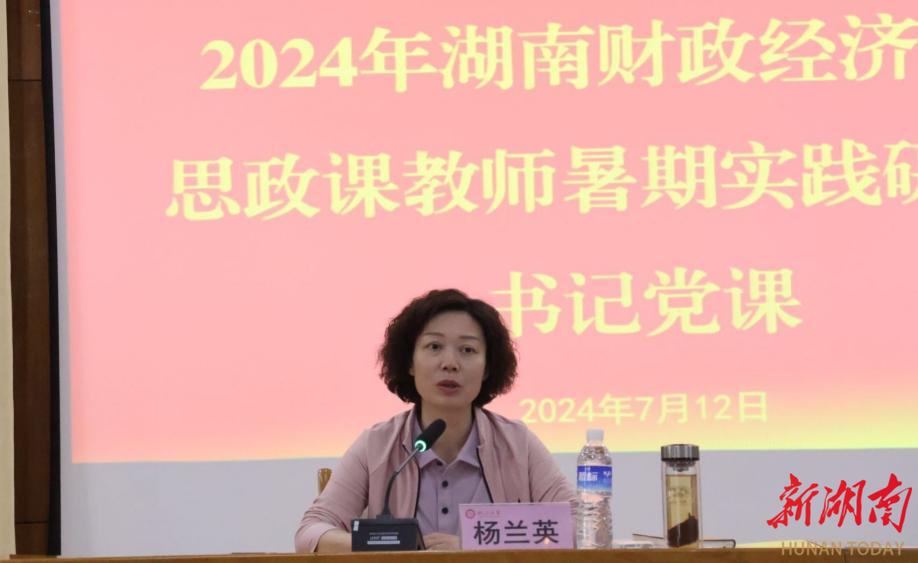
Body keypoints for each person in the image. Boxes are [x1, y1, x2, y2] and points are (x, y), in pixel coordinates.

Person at [294, 289, 575, 553]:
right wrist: (391, 547)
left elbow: (582, 525)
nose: (450, 363)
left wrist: (474, 546)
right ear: (410, 362)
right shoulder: (378, 445)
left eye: (467, 350)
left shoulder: (517, 444)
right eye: (434, 346)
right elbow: (311, 532)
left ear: (487, 368)